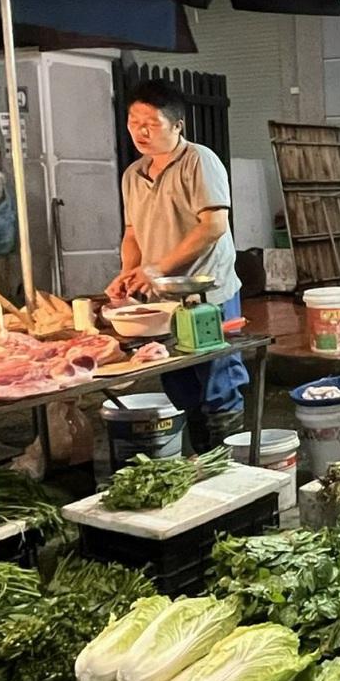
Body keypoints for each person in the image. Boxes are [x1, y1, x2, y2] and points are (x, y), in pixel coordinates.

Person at [110, 80, 248, 450]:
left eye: (151, 123)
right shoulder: (132, 175)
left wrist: (158, 268)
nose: (140, 130)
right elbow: (132, 234)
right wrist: (129, 272)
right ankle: (202, 461)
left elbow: (214, 224)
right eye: (133, 121)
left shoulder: (200, 160)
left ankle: (232, 470)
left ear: (177, 126)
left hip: (208, 295)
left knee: (219, 385)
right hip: (163, 300)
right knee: (179, 384)